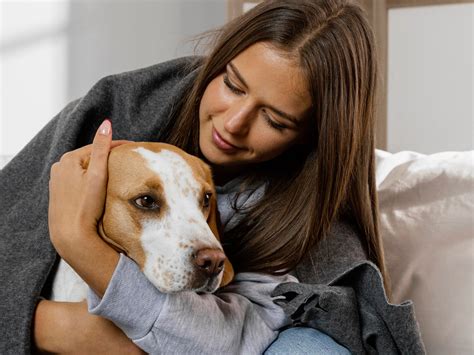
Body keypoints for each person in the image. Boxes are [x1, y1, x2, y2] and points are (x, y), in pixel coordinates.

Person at [0, 0, 425, 354]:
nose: (233, 123)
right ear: (218, 63)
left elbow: (226, 338)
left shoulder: (305, 216)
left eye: (274, 120)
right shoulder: (116, 110)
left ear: (311, 138)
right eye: (233, 85)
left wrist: (77, 240)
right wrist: (48, 325)